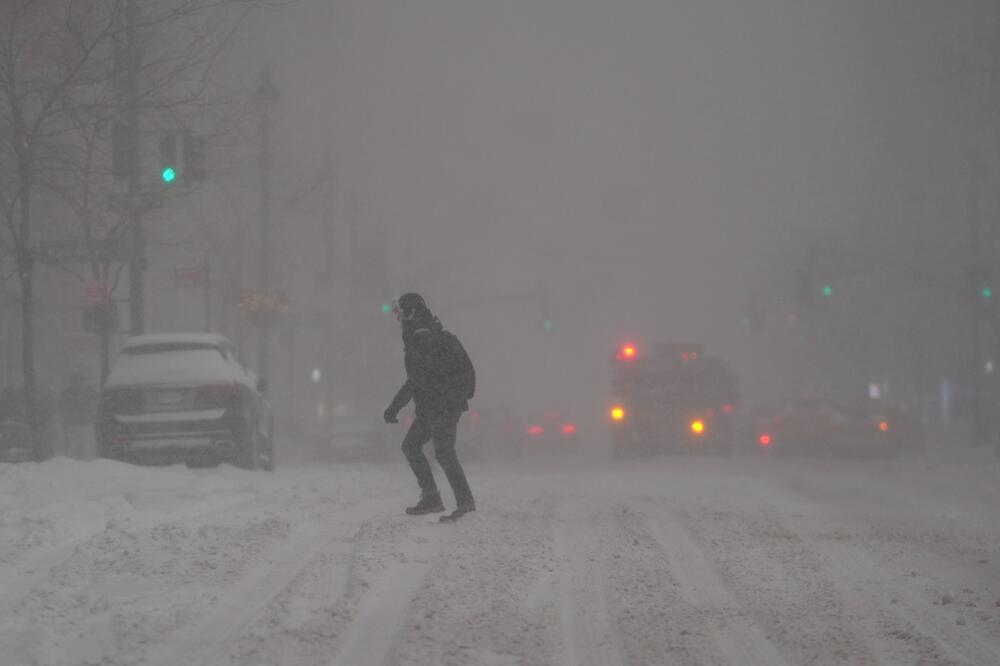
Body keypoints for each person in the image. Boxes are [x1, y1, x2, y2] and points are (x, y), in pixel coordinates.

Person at [384, 293, 477, 521]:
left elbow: (419, 379)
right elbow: (417, 380)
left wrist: (452, 398)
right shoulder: (418, 338)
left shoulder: (426, 339)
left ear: (412, 312)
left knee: (444, 453)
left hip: (443, 407)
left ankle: (464, 502)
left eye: (401, 313)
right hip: (430, 408)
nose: (399, 318)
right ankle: (432, 497)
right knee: (411, 446)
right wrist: (395, 407)